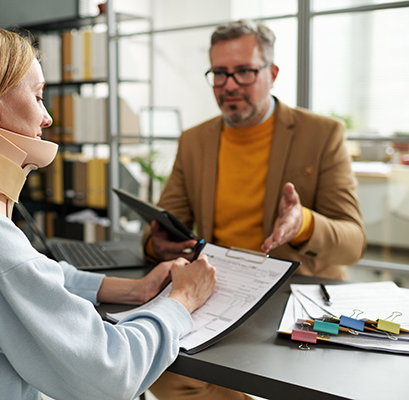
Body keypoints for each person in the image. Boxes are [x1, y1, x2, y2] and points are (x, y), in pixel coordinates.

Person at [0, 22, 218, 400]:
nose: (47, 117)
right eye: (38, 96)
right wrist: (180, 302)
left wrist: (132, 289)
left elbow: (20, 275)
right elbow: (110, 373)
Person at [144, 19, 367, 400]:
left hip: (294, 296)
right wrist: (156, 246)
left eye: (244, 72)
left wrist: (303, 223)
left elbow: (353, 243)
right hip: (221, 293)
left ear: (273, 73)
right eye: (219, 73)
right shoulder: (195, 141)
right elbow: (164, 225)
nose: (229, 84)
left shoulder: (322, 134)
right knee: (164, 371)